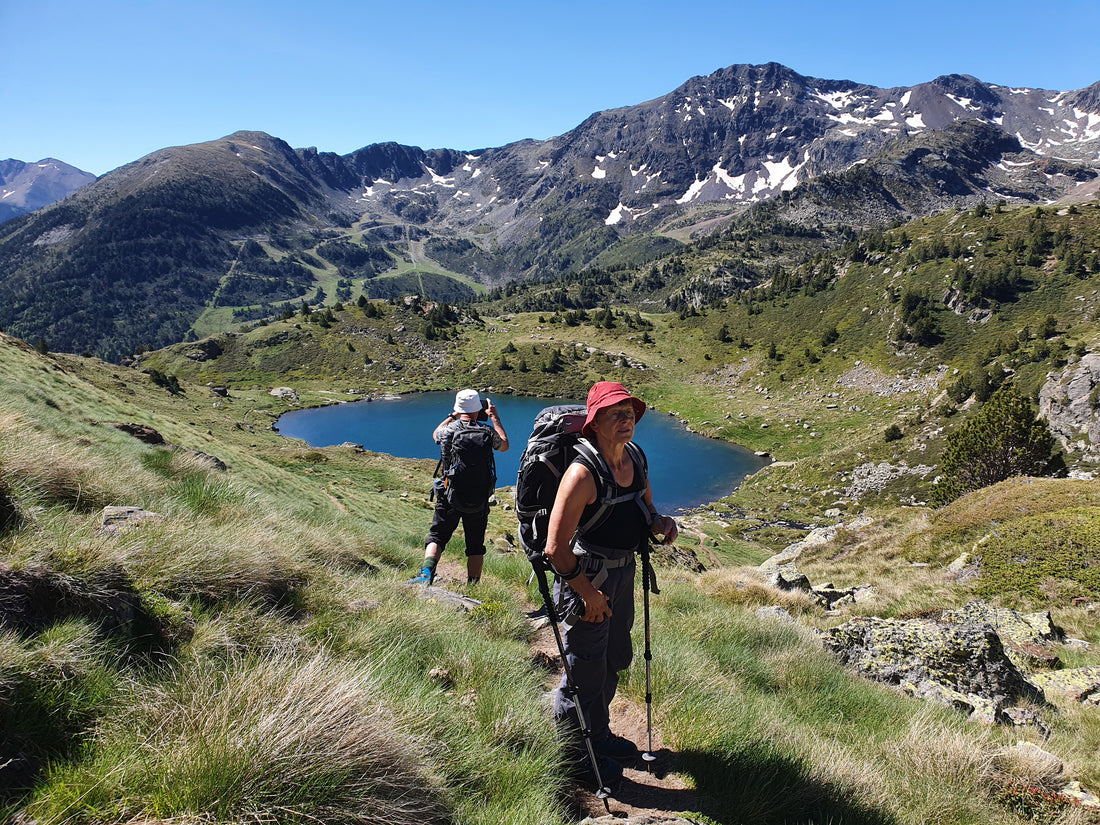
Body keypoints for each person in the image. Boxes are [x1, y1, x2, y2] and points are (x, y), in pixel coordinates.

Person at [543, 381, 678, 783]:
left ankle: (596, 735)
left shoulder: (635, 457)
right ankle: (573, 754)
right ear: (594, 423)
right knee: (584, 668)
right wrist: (587, 594)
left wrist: (660, 523)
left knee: (615, 658)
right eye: (615, 413)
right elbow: (555, 549)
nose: (627, 420)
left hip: (624, 573)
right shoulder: (581, 474)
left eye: (630, 412)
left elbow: (647, 507)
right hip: (588, 579)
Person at [411, 389, 509, 586]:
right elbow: (504, 445)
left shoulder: (448, 430)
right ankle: (473, 585)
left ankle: (425, 575)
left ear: (458, 408)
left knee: (437, 536)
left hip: (449, 493)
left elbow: (434, 434)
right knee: (475, 546)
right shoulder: (487, 432)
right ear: (478, 409)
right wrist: (495, 418)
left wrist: (453, 415)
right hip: (479, 497)